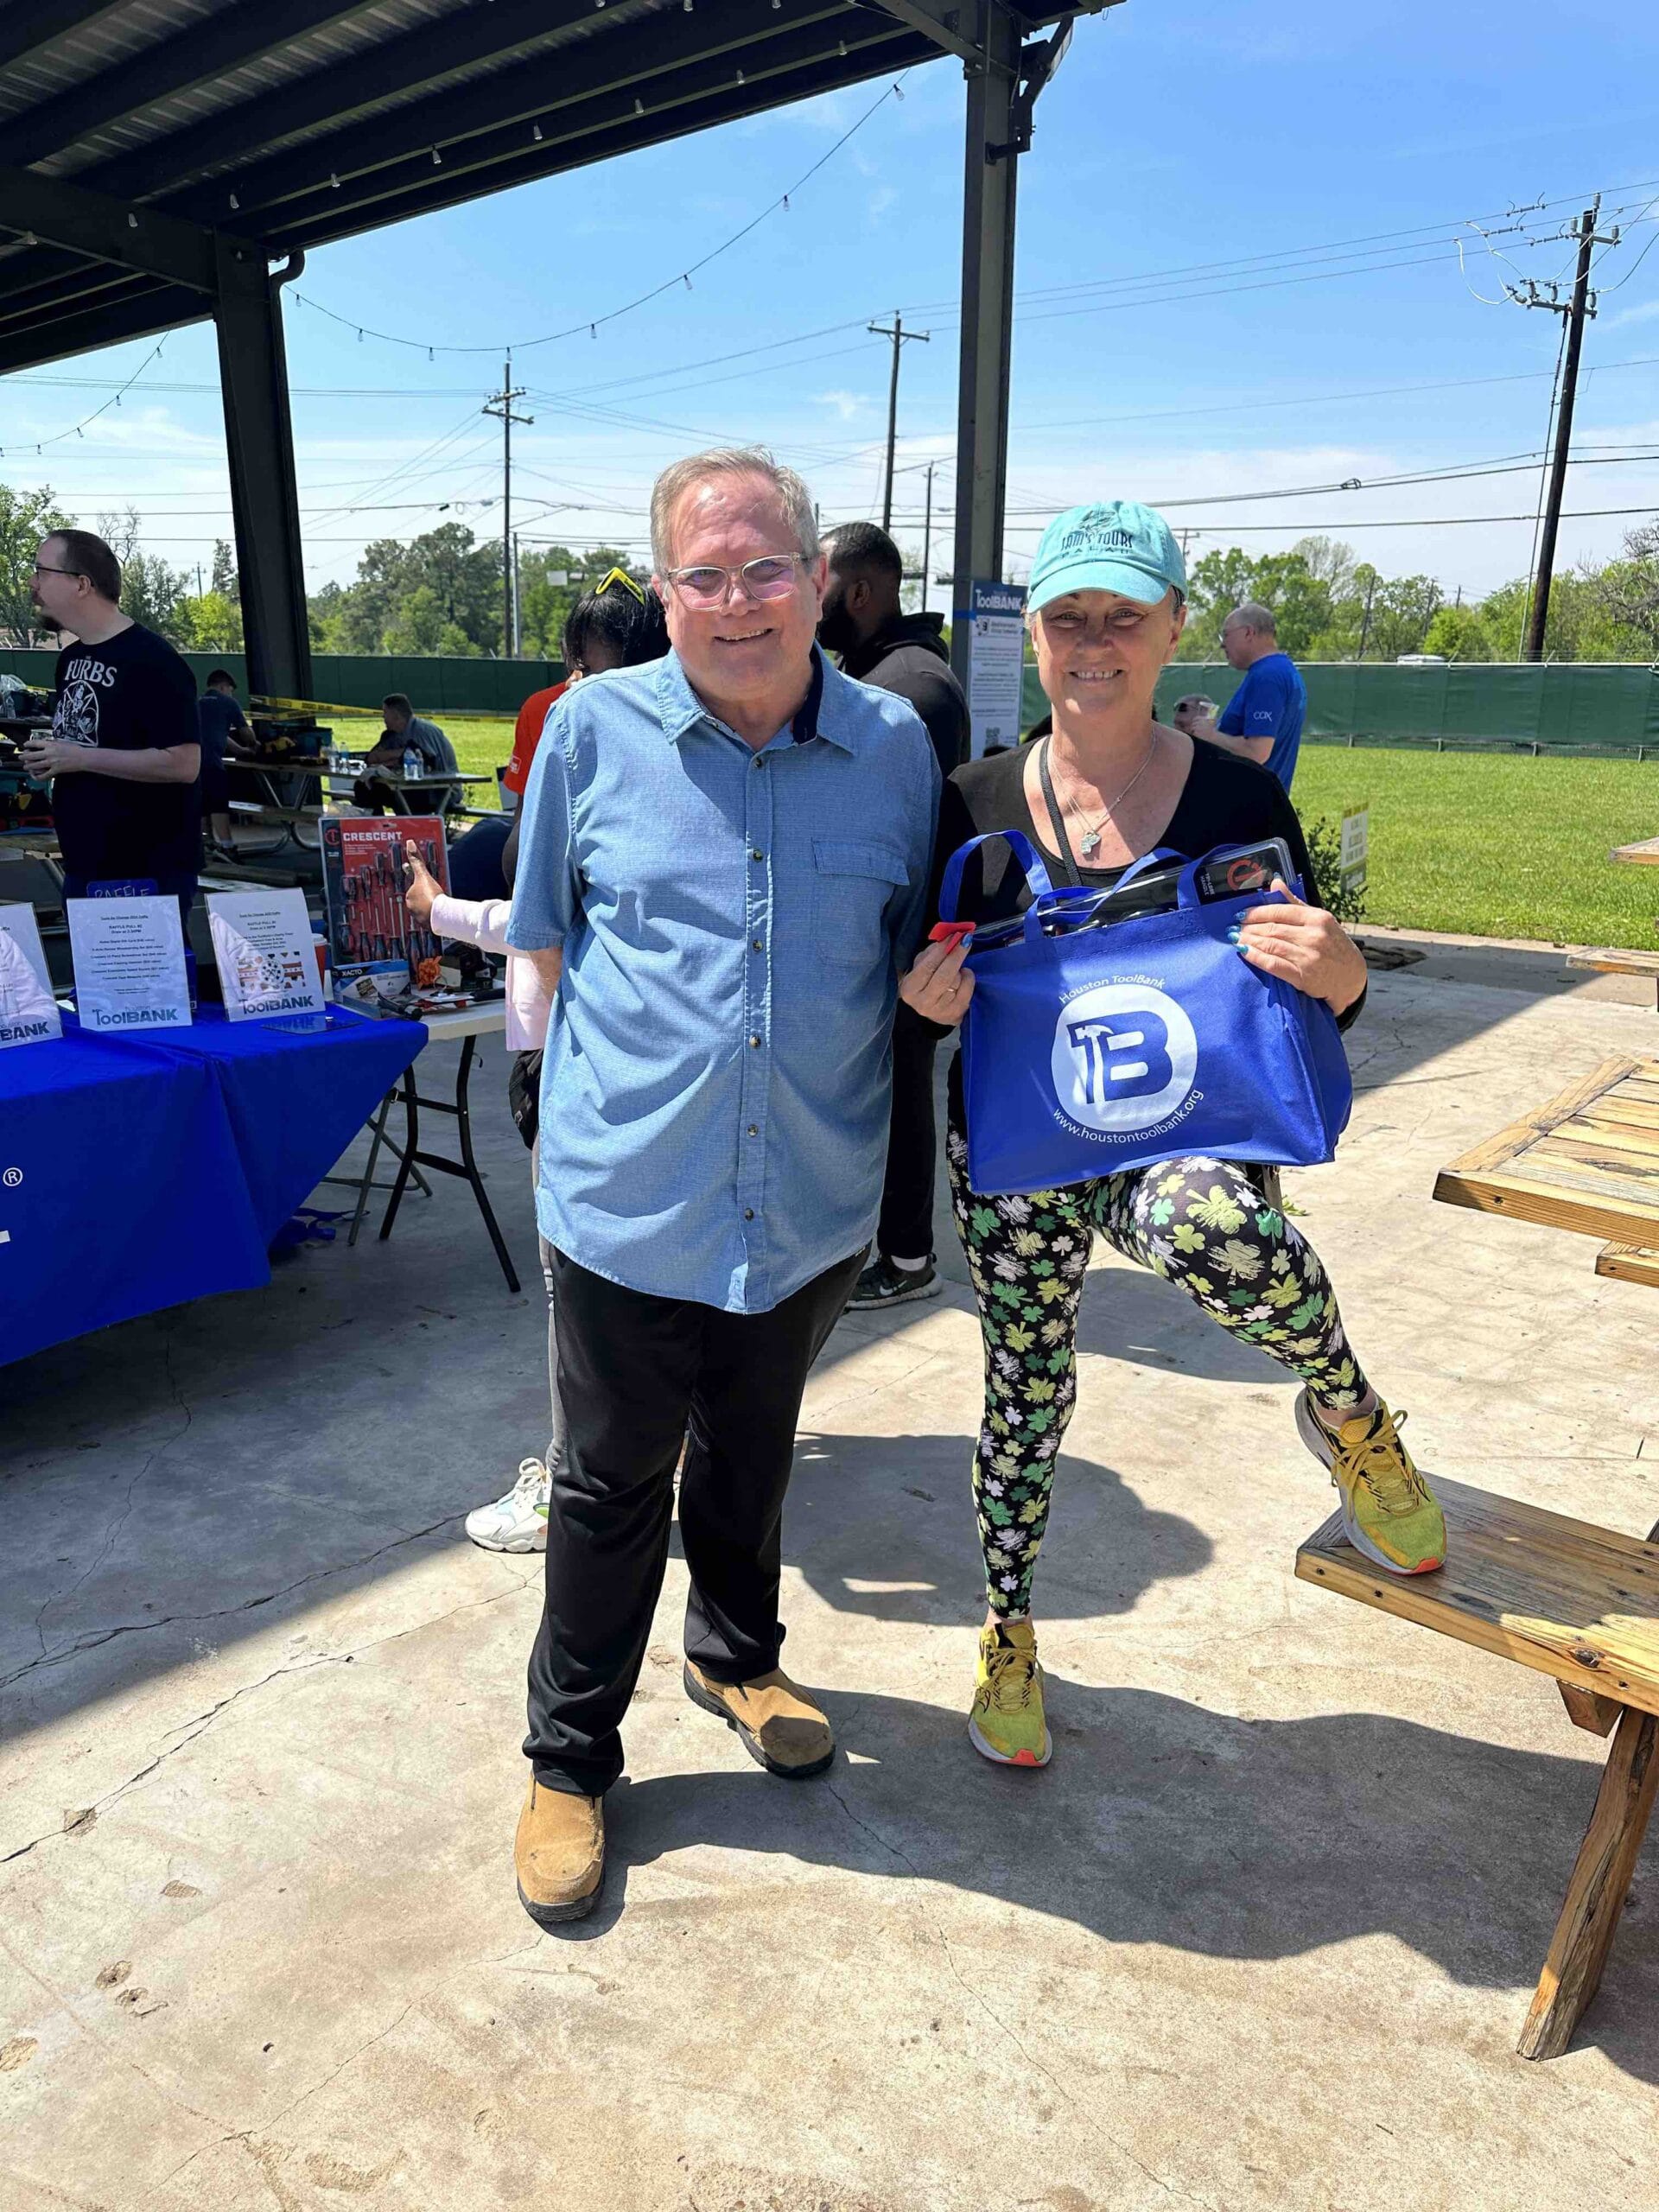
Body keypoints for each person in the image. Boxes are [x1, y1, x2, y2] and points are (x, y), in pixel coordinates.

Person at [899, 499, 1444, 1773]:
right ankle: (1009, 1635)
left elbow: (1308, 1009)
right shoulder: (969, 803)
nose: (1097, 643)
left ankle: (1349, 1411)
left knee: (1219, 1227)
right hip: (1023, 1150)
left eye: (1124, 618)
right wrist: (922, 1006)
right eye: (1070, 618)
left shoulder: (1238, 800)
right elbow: (911, 1001)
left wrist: (1344, 970)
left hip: (1176, 1137)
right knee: (1024, 1400)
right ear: (1034, 636)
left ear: (1175, 629)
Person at [505, 447, 938, 1925]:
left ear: (818, 583)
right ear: (664, 591)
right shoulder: (587, 735)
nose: (737, 602)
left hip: (808, 1193)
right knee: (612, 1481)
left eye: (766, 570)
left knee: (755, 1451)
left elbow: (904, 960)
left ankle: (736, 1657)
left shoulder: (892, 749)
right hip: (632, 1198)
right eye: (705, 576)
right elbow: (549, 942)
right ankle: (570, 1761)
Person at [409, 570, 671, 1558]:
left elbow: (541, 933)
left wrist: (438, 911)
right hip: (624, 1070)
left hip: (579, 1068)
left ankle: (575, 1481)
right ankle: (641, 1462)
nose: (569, 687)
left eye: (584, 666)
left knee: (581, 1299)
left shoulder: (593, 756)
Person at [818, 522, 970, 1313]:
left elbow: (909, 826)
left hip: (905, 939)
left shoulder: (910, 687)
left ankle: (907, 1256)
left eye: (819, 590)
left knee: (902, 1090)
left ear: (860, 592)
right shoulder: (879, 671)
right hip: (875, 932)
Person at [21, 530, 200, 923]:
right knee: (94, 986)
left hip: (145, 869)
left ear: (82, 584)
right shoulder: (70, 659)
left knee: (146, 984)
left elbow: (184, 764)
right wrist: (55, 758)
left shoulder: (154, 660)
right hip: (85, 863)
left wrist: (79, 757)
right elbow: (89, 744)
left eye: (41, 572)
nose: (32, 584)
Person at [1191, 603, 1306, 791]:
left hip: (1250, 806)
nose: (1222, 643)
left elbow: (1257, 751)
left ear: (1248, 633)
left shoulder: (1267, 676)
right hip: (1263, 802)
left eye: (1226, 634)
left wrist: (1211, 735)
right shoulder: (1283, 670)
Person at [352, 694, 461, 812]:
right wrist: (400, 753)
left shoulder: (422, 731)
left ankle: (409, 827)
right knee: (362, 787)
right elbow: (370, 758)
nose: (383, 717)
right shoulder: (393, 734)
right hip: (409, 787)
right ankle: (377, 828)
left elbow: (428, 764)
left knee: (402, 796)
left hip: (438, 792)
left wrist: (396, 757)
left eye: (385, 712)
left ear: (396, 715)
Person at [196, 668, 253, 852]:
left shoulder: (196, 703)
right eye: (230, 689)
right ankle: (227, 846)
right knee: (219, 804)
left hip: (191, 762)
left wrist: (239, 750)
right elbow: (246, 733)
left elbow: (216, 733)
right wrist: (254, 746)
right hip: (212, 762)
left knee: (202, 804)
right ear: (223, 687)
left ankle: (206, 845)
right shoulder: (228, 703)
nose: (231, 693)